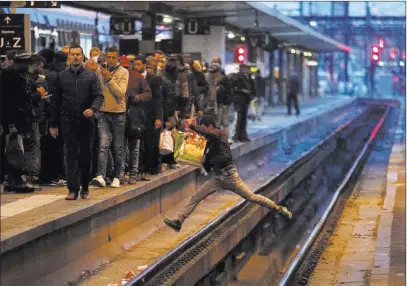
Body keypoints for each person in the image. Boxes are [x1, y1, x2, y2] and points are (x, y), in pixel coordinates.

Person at [164, 115, 292, 232]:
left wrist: (191, 126)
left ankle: (278, 208)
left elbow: (220, 155)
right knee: (196, 197)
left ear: (210, 127)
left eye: (204, 129)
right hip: (218, 178)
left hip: (230, 176)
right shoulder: (210, 142)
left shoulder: (220, 134)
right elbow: (207, 163)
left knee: (251, 197)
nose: (204, 134)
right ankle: (179, 222)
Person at [50, 44, 104, 200]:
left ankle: (85, 186)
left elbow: (99, 96)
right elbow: (55, 101)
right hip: (68, 120)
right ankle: (72, 189)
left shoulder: (91, 76)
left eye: (78, 54)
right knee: (70, 154)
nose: (75, 57)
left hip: (86, 120)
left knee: (86, 155)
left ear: (82, 57)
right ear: (69, 57)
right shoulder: (61, 76)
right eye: (72, 54)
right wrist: (53, 124)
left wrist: (93, 109)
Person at [1, 53, 41, 192]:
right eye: (28, 64)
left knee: (14, 150)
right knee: (16, 150)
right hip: (13, 121)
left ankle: (10, 181)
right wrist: (11, 124)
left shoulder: (18, 75)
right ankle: (17, 182)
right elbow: (8, 102)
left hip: (19, 120)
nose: (30, 66)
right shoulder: (10, 77)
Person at [91, 47, 129, 188]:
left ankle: (117, 177)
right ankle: (101, 175)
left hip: (118, 113)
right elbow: (96, 91)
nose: (111, 60)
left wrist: (109, 79)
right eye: (109, 57)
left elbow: (120, 93)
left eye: (114, 57)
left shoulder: (124, 72)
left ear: (118, 58)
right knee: (103, 144)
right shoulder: (99, 71)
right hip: (102, 112)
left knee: (118, 147)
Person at [39, 51, 68, 185]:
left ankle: (51, 176)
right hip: (66, 116)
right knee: (64, 147)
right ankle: (62, 175)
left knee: (51, 147)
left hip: (53, 117)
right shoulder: (68, 74)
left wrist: (51, 121)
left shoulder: (50, 76)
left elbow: (51, 100)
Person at [133, 54, 163, 176]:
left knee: (151, 142)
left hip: (150, 115)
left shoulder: (154, 79)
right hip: (136, 115)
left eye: (138, 64)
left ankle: (152, 167)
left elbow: (158, 99)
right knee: (137, 143)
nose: (136, 66)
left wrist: (159, 117)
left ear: (144, 65)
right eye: (135, 64)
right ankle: (140, 168)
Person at [124, 58, 152, 184]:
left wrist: (137, 98)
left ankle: (134, 173)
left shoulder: (137, 77)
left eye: (127, 66)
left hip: (135, 117)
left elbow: (148, 94)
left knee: (134, 147)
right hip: (118, 115)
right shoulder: (112, 76)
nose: (125, 68)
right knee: (120, 147)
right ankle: (121, 173)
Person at [230, 64, 254, 142]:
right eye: (247, 68)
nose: (248, 70)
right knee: (238, 118)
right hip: (239, 100)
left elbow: (252, 88)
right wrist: (242, 90)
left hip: (246, 100)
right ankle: (236, 136)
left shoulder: (249, 77)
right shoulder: (236, 76)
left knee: (244, 118)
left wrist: (252, 95)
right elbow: (233, 88)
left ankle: (243, 136)